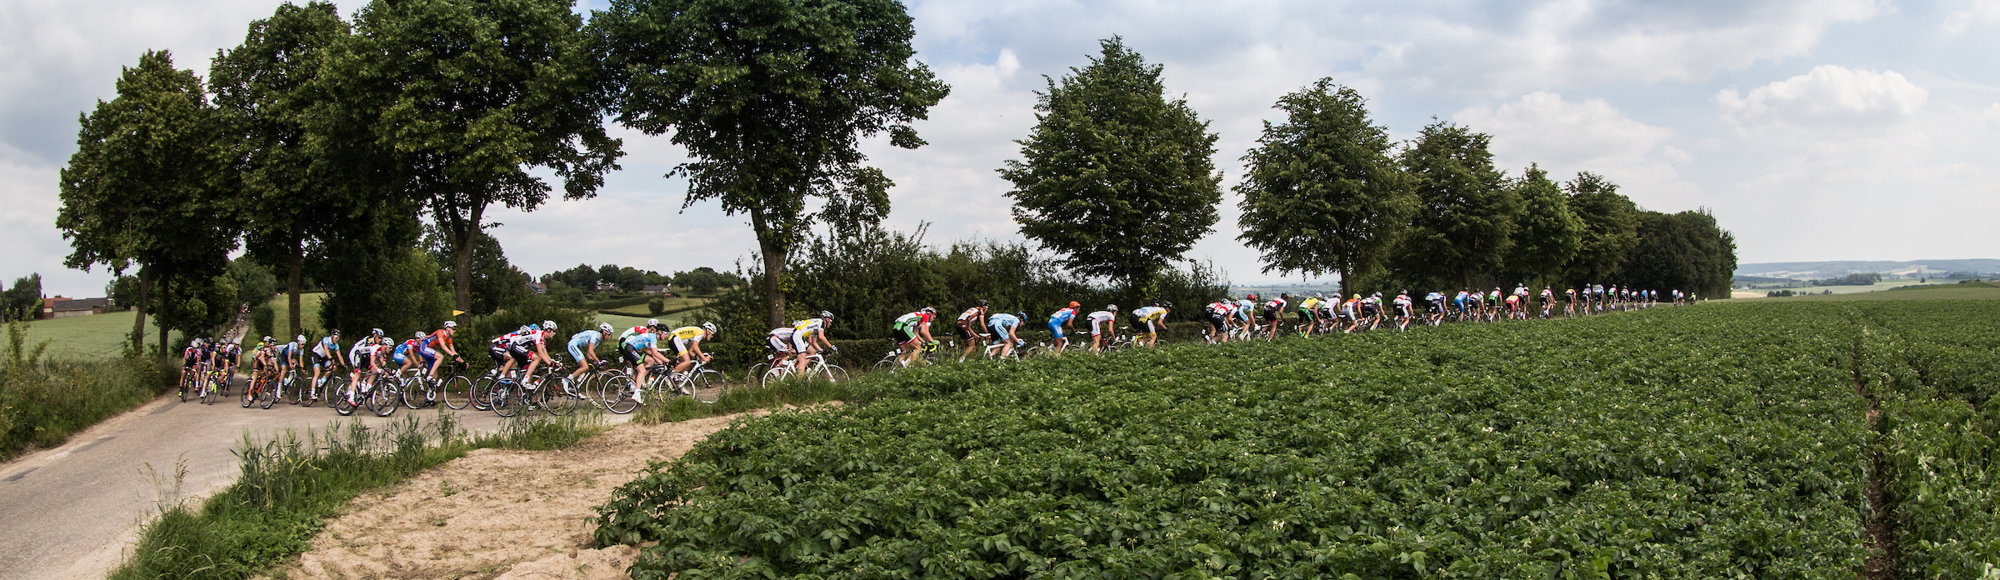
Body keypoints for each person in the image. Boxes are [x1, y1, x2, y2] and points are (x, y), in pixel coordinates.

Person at [617, 326, 667, 404]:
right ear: (660, 332)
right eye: (665, 334)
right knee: (642, 370)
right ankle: (637, 393)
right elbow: (656, 353)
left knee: (651, 361)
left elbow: (654, 355)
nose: (666, 336)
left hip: (632, 349)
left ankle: (640, 380)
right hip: (630, 349)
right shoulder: (653, 338)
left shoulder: (652, 336)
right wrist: (668, 361)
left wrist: (662, 363)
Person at [665, 323, 718, 388]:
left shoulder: (696, 335)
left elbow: (690, 352)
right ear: (708, 331)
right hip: (675, 339)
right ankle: (670, 376)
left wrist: (699, 359)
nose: (712, 336)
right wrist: (704, 358)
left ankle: (680, 385)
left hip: (674, 340)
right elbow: (696, 347)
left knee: (687, 364)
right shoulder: (700, 333)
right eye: (712, 334)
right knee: (687, 361)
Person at [563, 323, 616, 388]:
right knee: (585, 367)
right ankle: (566, 380)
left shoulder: (598, 340)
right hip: (573, 345)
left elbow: (588, 353)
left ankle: (576, 388)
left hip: (575, 346)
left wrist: (595, 362)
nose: (609, 337)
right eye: (609, 334)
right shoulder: (595, 336)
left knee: (586, 368)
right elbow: (591, 351)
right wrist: (598, 361)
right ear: (604, 332)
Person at [310, 330, 345, 398]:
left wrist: (343, 364)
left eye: (338, 338)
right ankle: (312, 393)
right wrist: (331, 359)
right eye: (336, 337)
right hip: (316, 355)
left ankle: (322, 380)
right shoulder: (326, 340)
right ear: (332, 336)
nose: (337, 339)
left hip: (323, 357)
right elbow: (326, 350)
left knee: (334, 368)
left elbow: (339, 355)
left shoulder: (336, 345)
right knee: (317, 372)